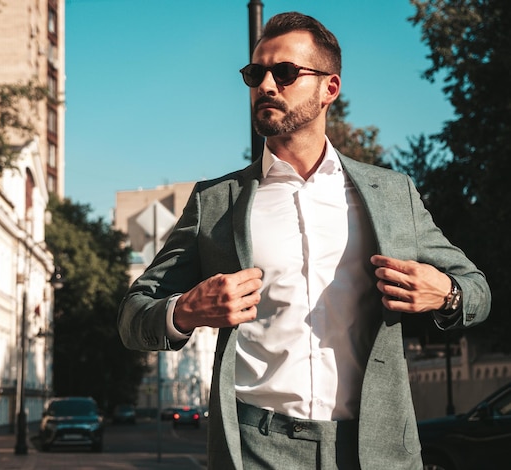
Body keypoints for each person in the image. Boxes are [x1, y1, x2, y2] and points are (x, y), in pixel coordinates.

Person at [118, 12, 490, 470]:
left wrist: (446, 294)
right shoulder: (216, 202)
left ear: (329, 88)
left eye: (285, 73)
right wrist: (187, 311)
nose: (266, 86)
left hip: (373, 447)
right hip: (255, 447)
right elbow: (134, 315)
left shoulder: (392, 195)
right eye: (256, 74)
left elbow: (477, 290)